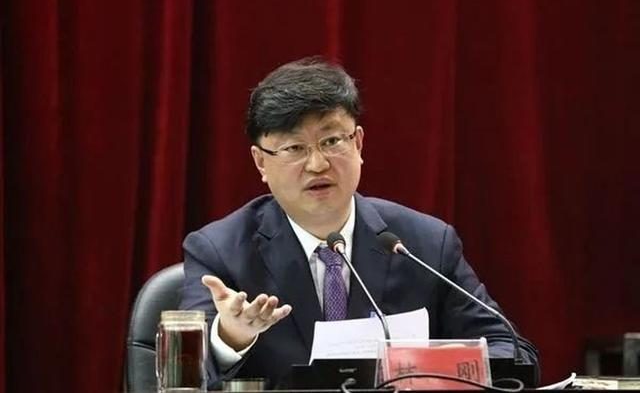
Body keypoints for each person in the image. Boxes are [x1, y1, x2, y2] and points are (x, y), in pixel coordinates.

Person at [180, 57, 539, 389]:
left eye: (331, 141)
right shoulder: (219, 252)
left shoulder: (425, 243)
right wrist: (230, 338)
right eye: (294, 148)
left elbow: (511, 352)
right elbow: (185, 376)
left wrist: (428, 370)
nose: (318, 164)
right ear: (261, 162)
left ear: (359, 143)